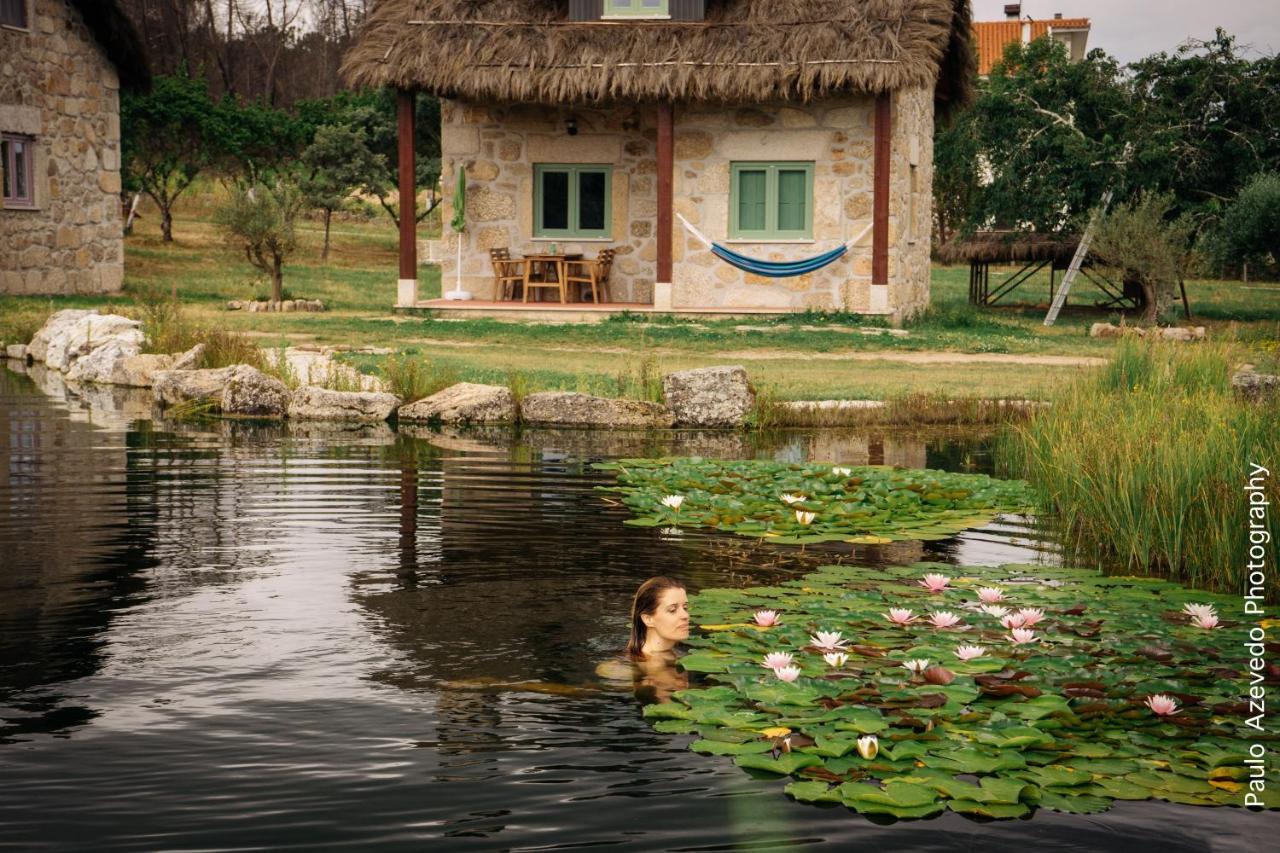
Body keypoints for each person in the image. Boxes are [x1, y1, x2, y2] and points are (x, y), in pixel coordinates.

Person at [596, 576, 690, 702]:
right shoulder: (621, 669)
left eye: (685, 608)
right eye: (672, 610)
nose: (685, 615)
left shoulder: (681, 656)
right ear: (648, 619)